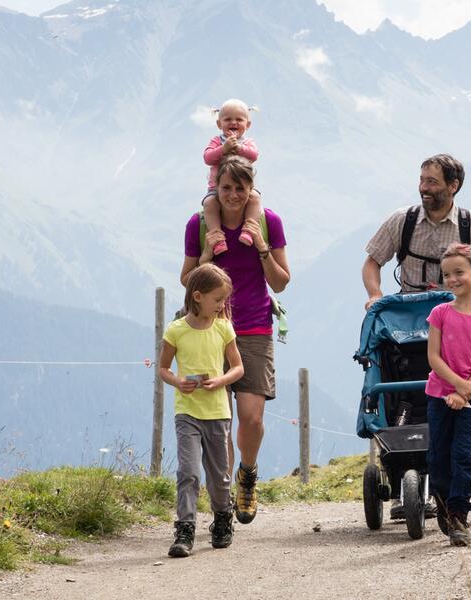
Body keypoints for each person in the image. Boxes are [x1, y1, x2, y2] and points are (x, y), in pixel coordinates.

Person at [181, 155, 289, 525]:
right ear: (216, 188)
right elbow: (187, 281)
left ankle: (248, 473)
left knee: (251, 419)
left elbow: (280, 282)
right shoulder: (198, 225)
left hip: (255, 327)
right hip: (210, 331)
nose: (232, 195)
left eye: (239, 189)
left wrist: (261, 247)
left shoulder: (268, 222)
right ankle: (224, 497)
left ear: (250, 190)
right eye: (226, 188)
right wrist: (208, 253)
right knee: (219, 422)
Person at [156, 263, 245, 558]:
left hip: (218, 412)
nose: (222, 306)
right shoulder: (176, 331)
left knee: (219, 476)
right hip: (188, 413)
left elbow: (238, 367)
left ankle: (222, 518)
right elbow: (164, 369)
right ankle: (185, 528)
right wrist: (179, 383)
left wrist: (220, 380)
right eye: (218, 299)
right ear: (197, 296)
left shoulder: (223, 328)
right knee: (188, 472)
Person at [423, 244, 471, 546]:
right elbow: (434, 357)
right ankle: (442, 502)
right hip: (441, 394)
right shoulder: (439, 313)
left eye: (459, 272)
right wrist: (457, 386)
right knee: (440, 454)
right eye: (446, 275)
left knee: (465, 454)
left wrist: (467, 390)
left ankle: (458, 513)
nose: (452, 279)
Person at [362, 154, 471, 308]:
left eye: (432, 182)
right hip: (408, 311)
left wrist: (466, 296)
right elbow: (372, 262)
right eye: (422, 180)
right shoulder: (402, 219)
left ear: (453, 186)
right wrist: (375, 295)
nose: (424, 188)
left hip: (454, 310)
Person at [198, 99, 264, 262]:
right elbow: (207, 158)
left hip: (244, 189)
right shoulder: (216, 141)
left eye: (239, 119)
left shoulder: (248, 142)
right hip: (216, 188)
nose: (233, 123)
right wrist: (224, 148)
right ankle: (217, 238)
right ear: (219, 124)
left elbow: (254, 156)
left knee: (255, 198)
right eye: (228, 119)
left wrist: (239, 148)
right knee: (210, 204)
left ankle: (249, 230)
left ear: (247, 125)